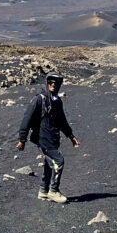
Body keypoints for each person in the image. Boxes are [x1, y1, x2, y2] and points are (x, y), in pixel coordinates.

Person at [17, 72, 80, 204]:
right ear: (46, 83)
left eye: (56, 83)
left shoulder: (57, 101)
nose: (53, 85)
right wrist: (22, 139)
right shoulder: (39, 99)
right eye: (50, 82)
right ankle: (53, 191)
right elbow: (26, 119)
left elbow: (62, 121)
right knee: (59, 161)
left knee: (49, 164)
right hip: (43, 138)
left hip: (53, 138)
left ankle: (43, 191)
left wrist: (71, 136)